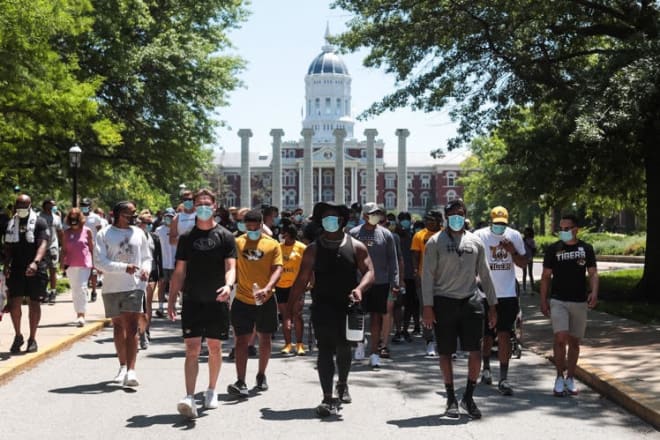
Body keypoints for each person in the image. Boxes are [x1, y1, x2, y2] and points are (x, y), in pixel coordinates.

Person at [288, 201, 375, 417]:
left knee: (344, 349)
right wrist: (290, 306)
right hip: (322, 306)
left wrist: (360, 289)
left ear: (342, 221)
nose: (329, 221)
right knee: (325, 349)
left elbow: (370, 272)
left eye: (333, 217)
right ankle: (327, 397)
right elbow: (301, 280)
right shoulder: (313, 249)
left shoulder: (356, 246)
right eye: (325, 217)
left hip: (348, 305)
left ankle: (343, 384)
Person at [422, 199, 497, 419]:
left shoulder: (475, 241)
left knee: (475, 350)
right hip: (443, 301)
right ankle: (451, 398)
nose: (456, 217)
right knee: (446, 352)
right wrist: (427, 306)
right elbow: (427, 276)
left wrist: (493, 305)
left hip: (471, 301)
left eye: (460, 213)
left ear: (465, 215)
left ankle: (469, 396)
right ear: (446, 216)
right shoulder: (434, 242)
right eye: (452, 214)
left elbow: (485, 274)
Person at [168, 189, 237, 419]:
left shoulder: (225, 236)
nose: (203, 207)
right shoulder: (187, 237)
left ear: (215, 207)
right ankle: (189, 396)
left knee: (215, 347)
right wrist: (170, 300)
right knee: (192, 348)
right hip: (192, 300)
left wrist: (228, 286)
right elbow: (179, 272)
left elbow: (231, 267)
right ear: (194, 207)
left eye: (207, 203)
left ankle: (211, 390)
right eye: (199, 203)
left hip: (216, 300)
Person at [540, 213, 598, 397]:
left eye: (567, 228)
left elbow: (593, 273)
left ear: (576, 229)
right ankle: (559, 376)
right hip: (559, 300)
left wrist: (594, 292)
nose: (563, 232)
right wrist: (543, 300)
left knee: (574, 342)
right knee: (560, 338)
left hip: (579, 301)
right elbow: (546, 276)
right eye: (561, 229)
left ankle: (570, 377)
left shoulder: (586, 249)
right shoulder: (553, 249)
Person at [95, 201, 152, 387]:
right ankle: (122, 366)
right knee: (118, 327)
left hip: (134, 286)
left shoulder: (139, 233)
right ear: (118, 214)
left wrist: (145, 269)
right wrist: (123, 267)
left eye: (134, 213)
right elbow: (99, 262)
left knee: (132, 326)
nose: (133, 216)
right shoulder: (104, 234)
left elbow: (146, 257)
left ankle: (131, 370)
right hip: (112, 287)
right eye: (129, 213)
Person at [227, 209, 283, 397]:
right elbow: (230, 266)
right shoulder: (237, 243)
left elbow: (277, 269)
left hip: (265, 299)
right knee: (241, 340)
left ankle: (261, 374)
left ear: (261, 225)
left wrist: (268, 288)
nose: (250, 230)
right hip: (242, 299)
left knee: (264, 338)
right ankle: (241, 380)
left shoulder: (272, 244)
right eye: (247, 226)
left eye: (254, 226)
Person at [474, 206, 527, 396]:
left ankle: (503, 378)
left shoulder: (514, 236)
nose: (500, 227)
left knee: (504, 334)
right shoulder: (479, 236)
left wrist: (512, 251)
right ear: (491, 222)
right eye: (496, 224)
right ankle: (486, 368)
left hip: (507, 294)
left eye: (503, 224)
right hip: (485, 293)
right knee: (486, 335)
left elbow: (523, 263)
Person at [348, 202, 399, 368]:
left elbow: (393, 259)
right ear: (364, 216)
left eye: (378, 213)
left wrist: (395, 281)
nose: (376, 216)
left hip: (381, 282)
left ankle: (375, 353)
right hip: (359, 283)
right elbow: (348, 258)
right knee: (358, 316)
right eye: (372, 213)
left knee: (376, 317)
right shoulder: (354, 233)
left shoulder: (386, 235)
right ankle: (359, 344)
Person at [3, 194, 49, 353]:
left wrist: (35, 262)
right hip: (16, 268)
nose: (21, 208)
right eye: (19, 205)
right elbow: (8, 246)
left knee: (34, 303)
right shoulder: (10, 223)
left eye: (24, 205)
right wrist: (6, 264)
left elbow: (43, 243)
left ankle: (32, 338)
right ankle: (18, 335)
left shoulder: (39, 222)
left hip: (35, 268)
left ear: (30, 205)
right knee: (14, 304)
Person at [411, 210, 443, 356]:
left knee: (444, 310)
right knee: (426, 310)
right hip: (425, 279)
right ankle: (429, 340)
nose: (429, 222)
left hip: (444, 279)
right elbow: (415, 256)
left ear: (439, 221)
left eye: (432, 220)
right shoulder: (419, 235)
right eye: (427, 219)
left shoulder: (446, 234)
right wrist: (417, 274)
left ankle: (443, 341)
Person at [275, 223, 307, 355]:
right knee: (285, 316)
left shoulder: (302, 248)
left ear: (291, 234)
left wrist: (310, 282)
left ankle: (299, 344)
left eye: (284, 233)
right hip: (280, 285)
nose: (282, 236)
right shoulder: (278, 248)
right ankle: (288, 344)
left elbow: (308, 267)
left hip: (296, 286)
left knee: (297, 315)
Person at [60, 208, 94, 326]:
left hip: (84, 263)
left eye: (76, 217)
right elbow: (63, 250)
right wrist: (61, 263)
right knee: (75, 289)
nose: (74, 219)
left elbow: (91, 248)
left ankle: (82, 315)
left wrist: (95, 264)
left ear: (80, 218)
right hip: (70, 264)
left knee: (82, 287)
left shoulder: (87, 231)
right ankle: (78, 313)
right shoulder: (66, 233)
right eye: (71, 217)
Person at [137, 210, 162, 349]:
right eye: (146, 223)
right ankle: (138, 330)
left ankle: (145, 330)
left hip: (151, 273)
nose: (148, 225)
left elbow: (158, 257)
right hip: (135, 274)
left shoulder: (154, 238)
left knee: (147, 304)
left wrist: (161, 273)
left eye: (150, 223)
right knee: (138, 305)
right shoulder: (133, 236)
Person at [39, 198, 63, 304]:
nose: (53, 207)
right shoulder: (38, 216)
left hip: (53, 247)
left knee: (53, 270)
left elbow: (60, 232)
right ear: (45, 206)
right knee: (42, 271)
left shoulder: (57, 218)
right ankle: (44, 292)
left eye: (54, 205)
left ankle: (53, 292)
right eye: (51, 205)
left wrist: (63, 247)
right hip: (41, 248)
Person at [80, 198, 104, 302]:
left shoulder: (96, 218)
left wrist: (100, 246)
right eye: (82, 205)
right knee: (82, 270)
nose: (83, 207)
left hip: (93, 247)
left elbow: (100, 232)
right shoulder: (78, 216)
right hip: (81, 247)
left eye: (85, 205)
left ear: (90, 206)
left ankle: (94, 291)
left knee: (93, 271)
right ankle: (84, 290)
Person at [155, 208, 176, 318]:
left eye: (171, 217)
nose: (169, 219)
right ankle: (160, 307)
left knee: (174, 286)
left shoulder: (178, 230)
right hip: (162, 263)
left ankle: (171, 307)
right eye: (167, 216)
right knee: (162, 285)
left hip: (175, 263)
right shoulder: (159, 230)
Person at [522, 227, 537, 293]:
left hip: (530, 258)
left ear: (529, 232)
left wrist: (532, 256)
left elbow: (534, 249)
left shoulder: (532, 240)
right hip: (524, 258)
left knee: (530, 273)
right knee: (524, 273)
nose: (525, 232)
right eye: (525, 231)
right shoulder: (522, 240)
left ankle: (532, 289)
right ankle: (524, 289)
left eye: (526, 231)